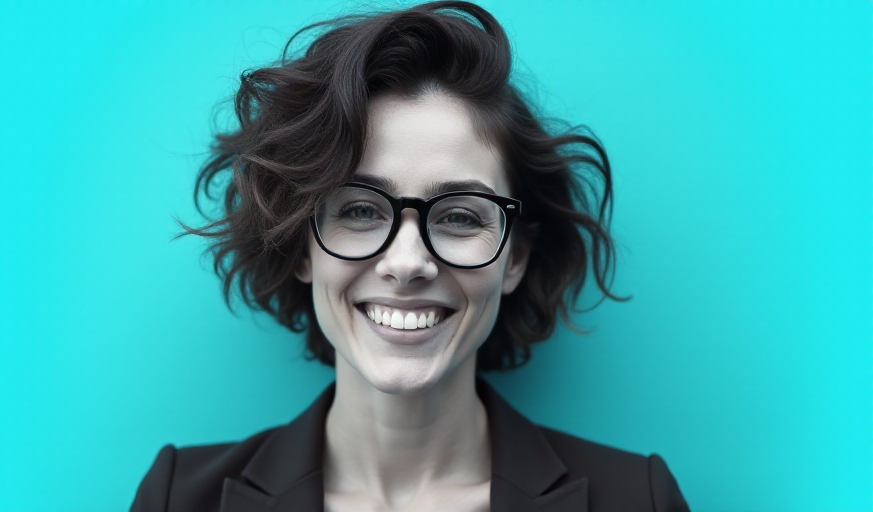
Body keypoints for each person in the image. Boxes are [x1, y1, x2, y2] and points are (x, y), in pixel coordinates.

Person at [131, 2, 690, 511]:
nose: (406, 263)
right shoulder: (178, 497)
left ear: (514, 256)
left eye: (460, 216)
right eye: (358, 210)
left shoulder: (638, 499)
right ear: (300, 243)